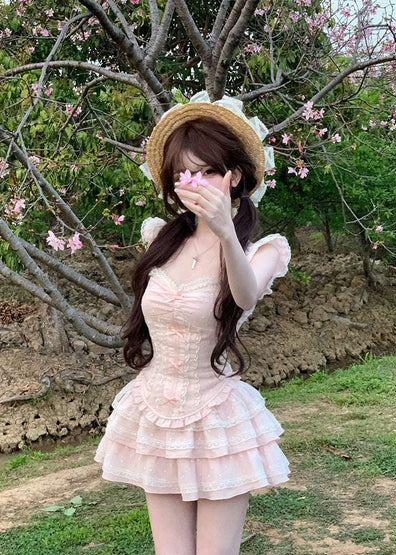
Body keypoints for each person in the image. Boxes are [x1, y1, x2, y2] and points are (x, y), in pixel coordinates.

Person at [94, 90, 292, 554]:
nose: (196, 183)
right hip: (154, 410)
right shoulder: (160, 239)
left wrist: (224, 232)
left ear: (234, 176)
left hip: (216, 416)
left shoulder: (261, 251)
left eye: (209, 172)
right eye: (186, 173)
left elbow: (244, 297)